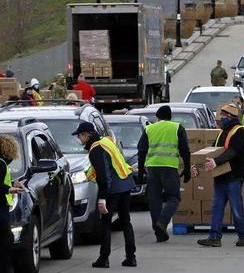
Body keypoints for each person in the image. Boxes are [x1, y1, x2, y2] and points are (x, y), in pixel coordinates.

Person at [72, 122, 137, 268]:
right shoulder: (106, 141)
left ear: (86, 135)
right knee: (126, 221)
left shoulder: (96, 148)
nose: (79, 139)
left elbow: (103, 174)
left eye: (79, 136)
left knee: (106, 224)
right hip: (125, 184)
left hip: (112, 189)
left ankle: (104, 258)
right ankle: (131, 257)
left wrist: (102, 197)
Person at [195, 104, 244, 247]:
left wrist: (215, 161)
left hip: (234, 176)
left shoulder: (239, 131)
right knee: (217, 207)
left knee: (236, 208)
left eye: (223, 116)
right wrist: (198, 165)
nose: (221, 118)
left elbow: (233, 151)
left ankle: (243, 236)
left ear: (230, 117)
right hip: (221, 176)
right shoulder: (222, 132)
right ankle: (214, 237)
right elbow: (212, 150)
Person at [137, 105, 191, 243]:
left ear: (157, 117)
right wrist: (187, 168)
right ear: (170, 117)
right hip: (169, 168)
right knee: (174, 197)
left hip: (153, 168)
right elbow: (185, 149)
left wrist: (141, 169)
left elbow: (141, 150)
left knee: (154, 200)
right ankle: (162, 222)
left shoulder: (149, 128)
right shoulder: (177, 127)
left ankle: (158, 232)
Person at [0, 135, 24, 273]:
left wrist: (12, 184)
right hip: (1, 213)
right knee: (6, 244)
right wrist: (9, 189)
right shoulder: (1, 164)